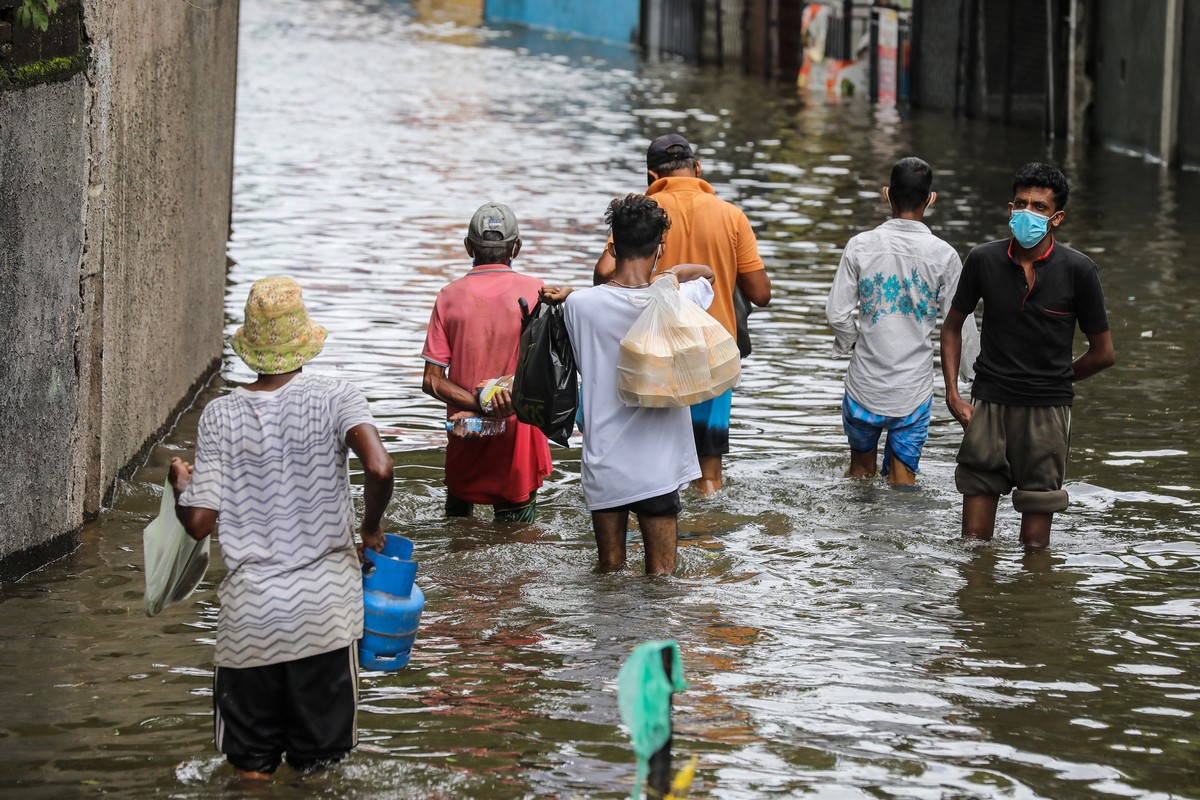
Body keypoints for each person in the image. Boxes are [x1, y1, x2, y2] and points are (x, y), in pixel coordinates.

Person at [168, 276, 394, 779]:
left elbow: (199, 524)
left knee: (250, 773)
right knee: (321, 773)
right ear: (303, 342)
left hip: (250, 623)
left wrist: (181, 483)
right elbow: (380, 468)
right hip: (324, 618)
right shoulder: (338, 396)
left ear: (250, 348)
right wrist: (370, 528)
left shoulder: (220, 415)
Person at [941, 162, 1114, 551]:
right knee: (973, 543)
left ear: (1056, 218)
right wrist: (953, 394)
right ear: (1009, 208)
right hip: (989, 407)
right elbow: (952, 327)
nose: (1027, 213)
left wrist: (1058, 377)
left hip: (1047, 414)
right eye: (1021, 204)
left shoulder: (1079, 270)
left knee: (1036, 546)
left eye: (1038, 207)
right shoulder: (984, 260)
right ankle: (978, 609)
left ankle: (1028, 610)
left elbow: (1103, 354)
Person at [542, 194, 714, 575]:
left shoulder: (579, 306)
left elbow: (595, 302)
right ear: (659, 248)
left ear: (613, 245)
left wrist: (571, 292)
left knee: (608, 574)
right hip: (659, 467)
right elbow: (708, 274)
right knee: (662, 581)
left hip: (605, 464)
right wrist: (670, 273)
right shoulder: (679, 300)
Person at [593, 133, 772, 495]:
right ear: (698, 168)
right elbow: (761, 294)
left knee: (650, 466)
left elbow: (602, 275)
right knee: (708, 470)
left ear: (650, 174)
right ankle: (706, 542)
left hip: (652, 355)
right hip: (711, 356)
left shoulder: (643, 212)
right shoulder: (731, 215)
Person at [825, 156, 978, 484]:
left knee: (860, 475)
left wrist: (852, 342)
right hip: (913, 392)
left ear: (886, 195)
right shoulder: (944, 256)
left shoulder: (859, 247)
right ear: (930, 199)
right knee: (903, 482)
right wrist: (968, 379)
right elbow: (960, 324)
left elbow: (837, 314)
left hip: (863, 385)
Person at [421, 202, 552, 523]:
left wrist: (480, 407)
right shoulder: (536, 291)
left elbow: (432, 380)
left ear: (468, 247)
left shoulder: (448, 296)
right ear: (516, 248)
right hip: (517, 442)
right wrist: (501, 405)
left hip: (468, 433)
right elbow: (551, 373)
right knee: (516, 542)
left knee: (459, 537)